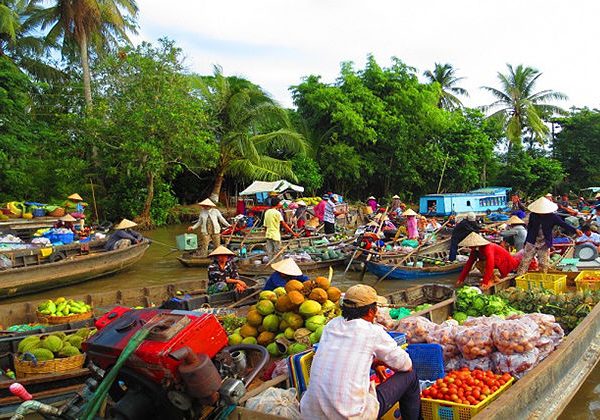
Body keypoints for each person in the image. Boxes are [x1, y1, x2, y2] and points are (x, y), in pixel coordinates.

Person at [300, 284, 420, 420]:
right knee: (411, 376)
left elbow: (346, 355)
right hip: (351, 416)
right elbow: (406, 365)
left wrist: (375, 363)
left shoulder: (331, 326)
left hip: (311, 414)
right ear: (370, 311)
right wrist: (382, 361)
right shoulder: (372, 332)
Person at [517, 196, 582, 275]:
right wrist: (526, 242)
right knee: (525, 261)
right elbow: (530, 228)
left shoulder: (552, 217)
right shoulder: (533, 215)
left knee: (543, 263)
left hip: (544, 242)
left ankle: (543, 278)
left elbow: (563, 224)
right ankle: (519, 277)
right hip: (532, 240)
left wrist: (575, 230)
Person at [456, 233, 521, 289]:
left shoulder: (488, 247)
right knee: (479, 263)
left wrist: (485, 281)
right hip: (498, 262)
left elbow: (490, 264)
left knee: (483, 263)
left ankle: (492, 279)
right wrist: (461, 279)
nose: (469, 247)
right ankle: (493, 278)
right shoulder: (475, 250)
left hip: (506, 263)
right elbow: (469, 263)